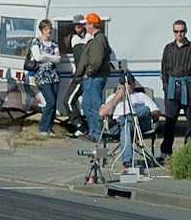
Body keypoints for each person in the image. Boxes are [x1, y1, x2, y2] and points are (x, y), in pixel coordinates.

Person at [159, 20, 191, 161]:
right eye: (176, 31)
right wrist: (166, 86)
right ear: (173, 32)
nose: (179, 34)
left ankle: (189, 150)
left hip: (188, 87)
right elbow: (164, 69)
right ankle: (166, 151)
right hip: (172, 88)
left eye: (182, 31)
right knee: (170, 121)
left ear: (186, 31)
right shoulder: (168, 48)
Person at [99, 72, 160, 170]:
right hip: (117, 126)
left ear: (133, 84)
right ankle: (127, 161)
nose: (125, 86)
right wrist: (116, 98)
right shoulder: (113, 97)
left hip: (138, 125)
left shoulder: (140, 95)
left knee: (144, 109)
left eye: (128, 84)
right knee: (127, 125)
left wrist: (132, 116)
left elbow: (156, 112)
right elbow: (101, 113)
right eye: (123, 84)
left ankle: (125, 119)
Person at [74, 13, 112, 142]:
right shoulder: (97, 39)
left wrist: (88, 73)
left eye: (86, 23)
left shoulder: (99, 40)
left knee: (93, 106)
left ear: (92, 25)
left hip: (94, 78)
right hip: (93, 77)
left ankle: (97, 134)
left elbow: (96, 61)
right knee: (87, 105)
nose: (84, 26)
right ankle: (92, 132)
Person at [30, 19, 61, 136]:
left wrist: (46, 55)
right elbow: (38, 57)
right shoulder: (36, 42)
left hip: (54, 75)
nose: (49, 31)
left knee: (54, 103)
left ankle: (49, 127)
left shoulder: (54, 43)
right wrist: (52, 56)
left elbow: (58, 59)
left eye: (50, 29)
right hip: (42, 76)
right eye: (46, 29)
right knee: (50, 101)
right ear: (42, 30)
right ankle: (43, 127)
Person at [62, 14, 91, 136]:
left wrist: (87, 73)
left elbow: (91, 58)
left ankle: (82, 127)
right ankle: (80, 126)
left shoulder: (90, 37)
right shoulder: (74, 39)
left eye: (79, 24)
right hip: (77, 75)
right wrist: (73, 75)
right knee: (68, 101)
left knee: (70, 101)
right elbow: (76, 60)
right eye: (75, 25)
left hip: (86, 75)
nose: (77, 27)